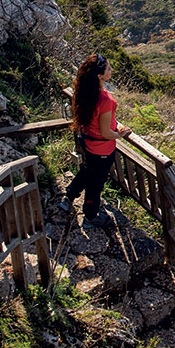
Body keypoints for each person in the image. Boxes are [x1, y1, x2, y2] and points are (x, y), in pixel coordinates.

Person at [59, 53, 131, 228]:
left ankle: (69, 196)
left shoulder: (84, 90)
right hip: (101, 149)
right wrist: (120, 134)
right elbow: (106, 132)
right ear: (100, 76)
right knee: (96, 183)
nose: (111, 70)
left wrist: (116, 125)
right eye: (108, 68)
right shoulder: (105, 100)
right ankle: (90, 217)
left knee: (87, 171)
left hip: (87, 142)